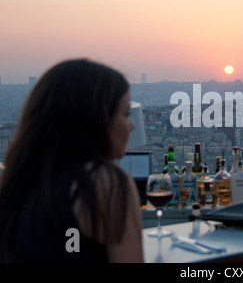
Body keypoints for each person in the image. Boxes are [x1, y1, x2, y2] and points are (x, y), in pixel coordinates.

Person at [0, 59, 143, 262]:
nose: (132, 125)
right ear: (96, 120)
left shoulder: (16, 182)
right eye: (126, 113)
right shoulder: (105, 184)